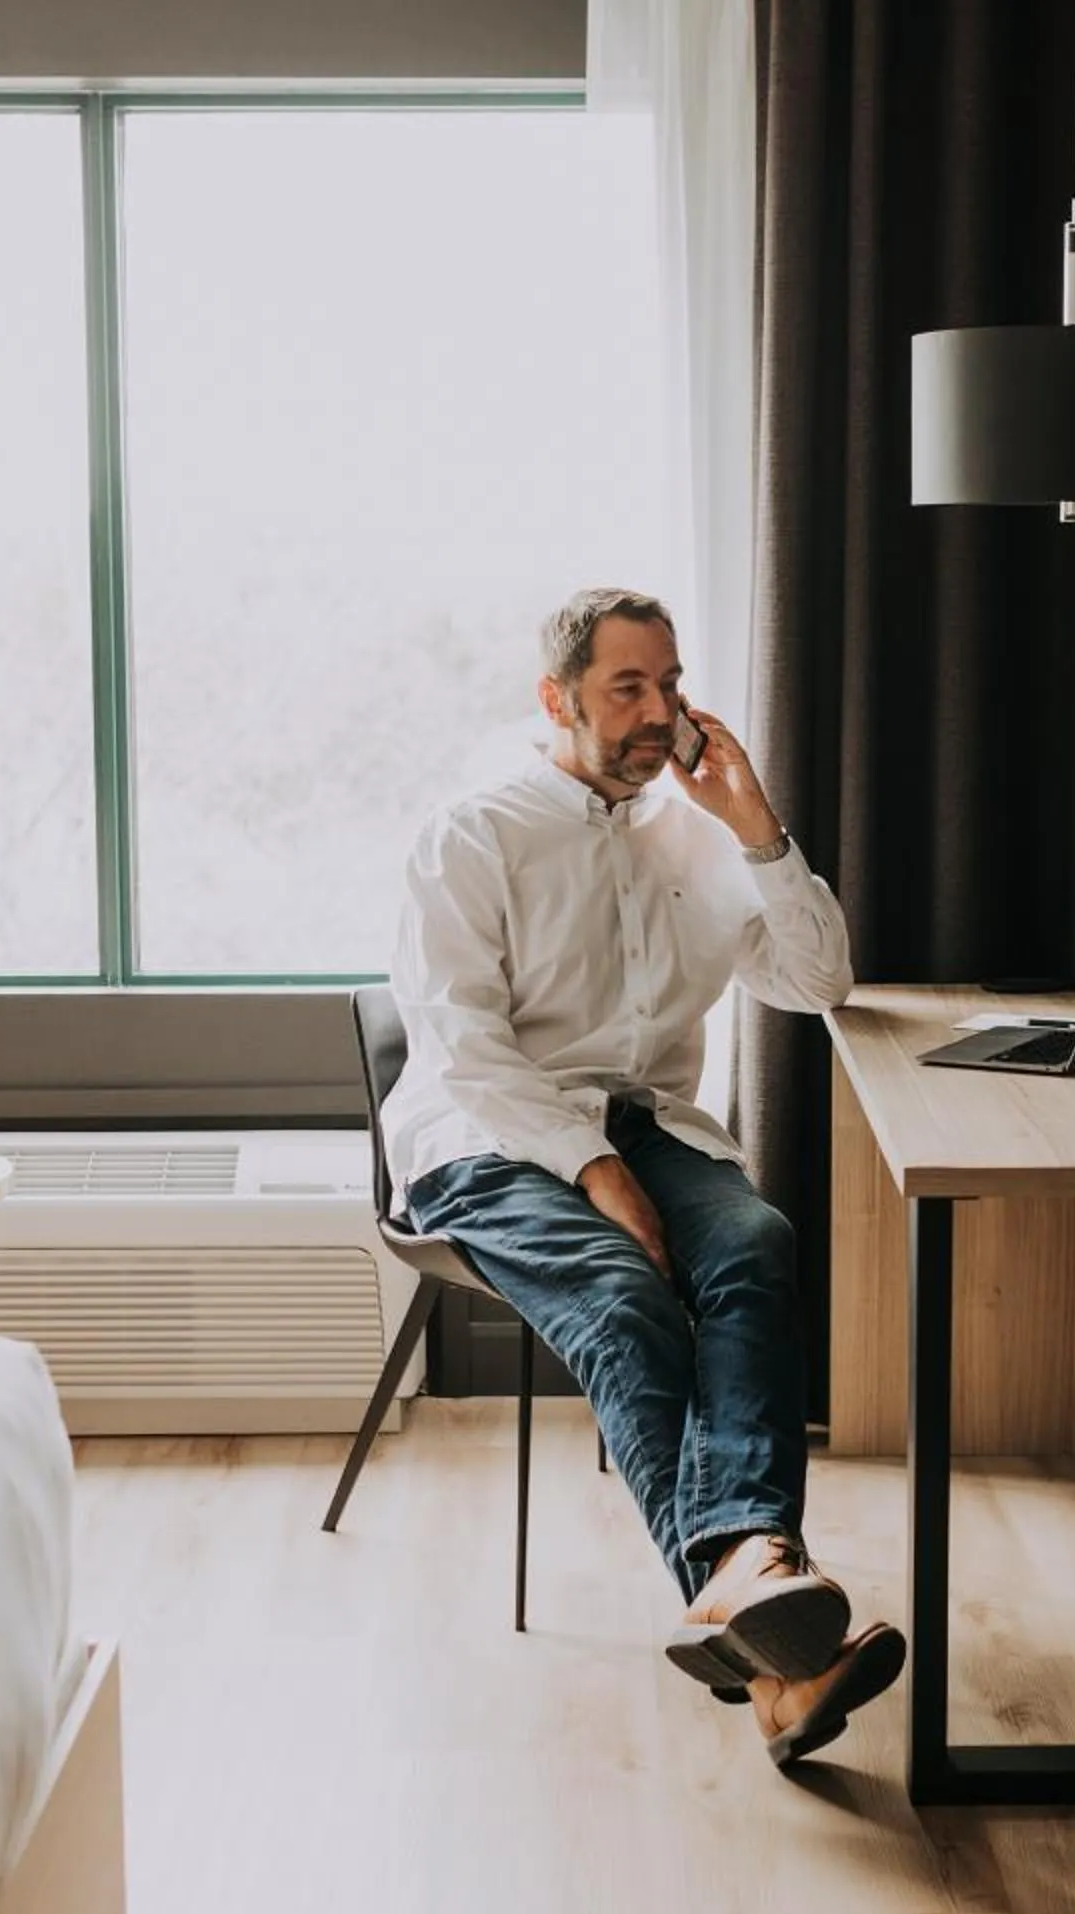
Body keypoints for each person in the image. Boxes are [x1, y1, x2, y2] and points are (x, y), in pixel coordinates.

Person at [382, 587, 907, 1768]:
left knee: (758, 1243)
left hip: (653, 1124)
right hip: (489, 1133)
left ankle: (761, 1627)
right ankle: (766, 1604)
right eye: (627, 688)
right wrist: (592, 1166)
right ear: (556, 698)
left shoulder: (701, 835)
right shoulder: (471, 834)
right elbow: (465, 1048)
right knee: (624, 1296)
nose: (659, 712)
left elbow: (819, 982)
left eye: (669, 683)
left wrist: (757, 827)